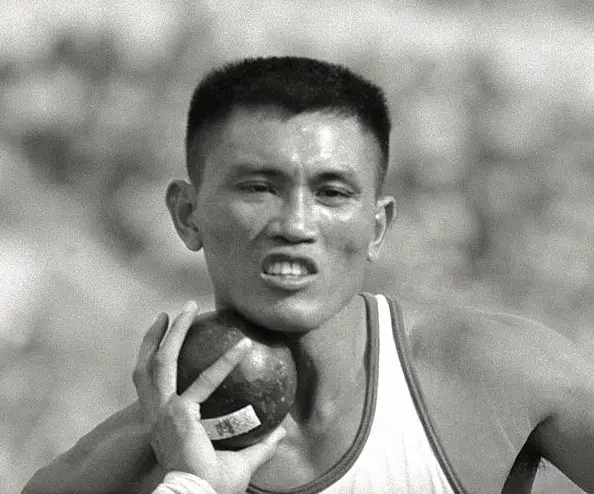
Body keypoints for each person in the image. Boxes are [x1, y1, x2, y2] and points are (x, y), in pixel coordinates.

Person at [23, 56, 594, 494]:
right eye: (257, 186)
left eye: (332, 193)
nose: (295, 224)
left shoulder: (499, 375)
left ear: (377, 226)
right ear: (186, 214)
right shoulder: (110, 473)